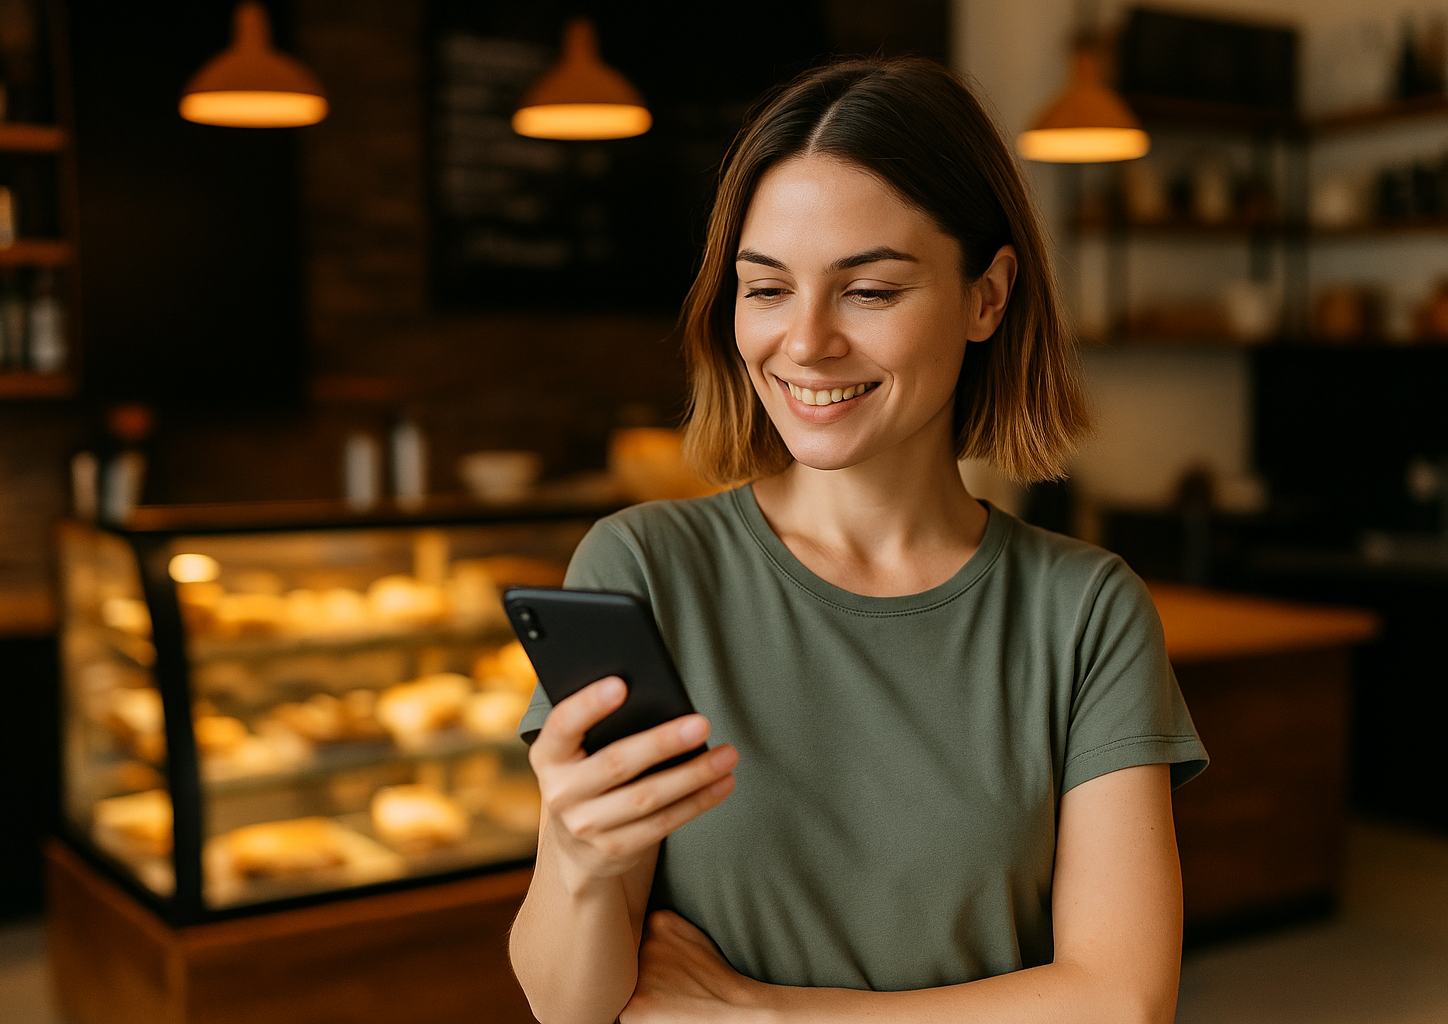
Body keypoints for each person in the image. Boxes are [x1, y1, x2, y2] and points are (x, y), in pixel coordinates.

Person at [508, 56, 1207, 1024]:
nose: (804, 341)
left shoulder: (1084, 610)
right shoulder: (645, 571)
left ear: (986, 297)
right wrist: (581, 860)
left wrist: (767, 1017)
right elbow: (569, 1007)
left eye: (868, 291)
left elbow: (1121, 999)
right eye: (767, 289)